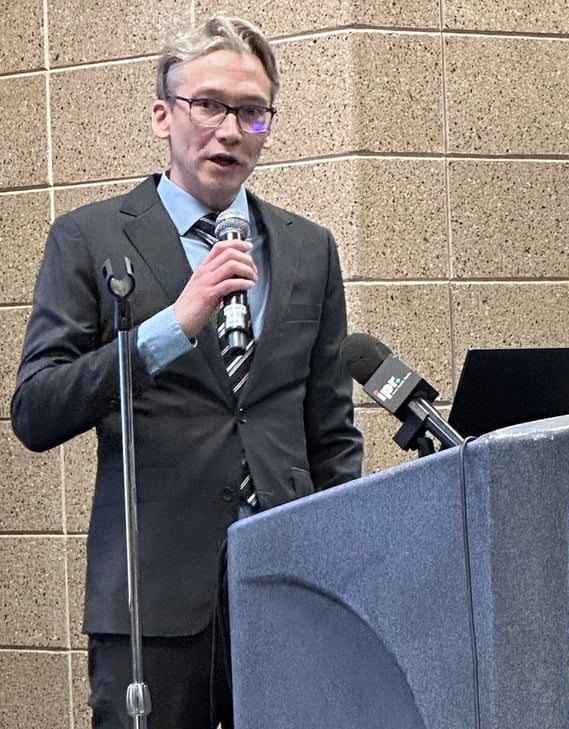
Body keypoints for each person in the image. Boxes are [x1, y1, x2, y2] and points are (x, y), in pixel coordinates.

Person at [11, 15, 363, 728]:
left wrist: (344, 576)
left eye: (253, 112)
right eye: (208, 105)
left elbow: (330, 434)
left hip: (289, 593)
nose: (231, 131)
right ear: (162, 115)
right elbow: (37, 409)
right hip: (154, 605)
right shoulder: (91, 238)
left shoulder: (309, 248)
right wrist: (173, 325)